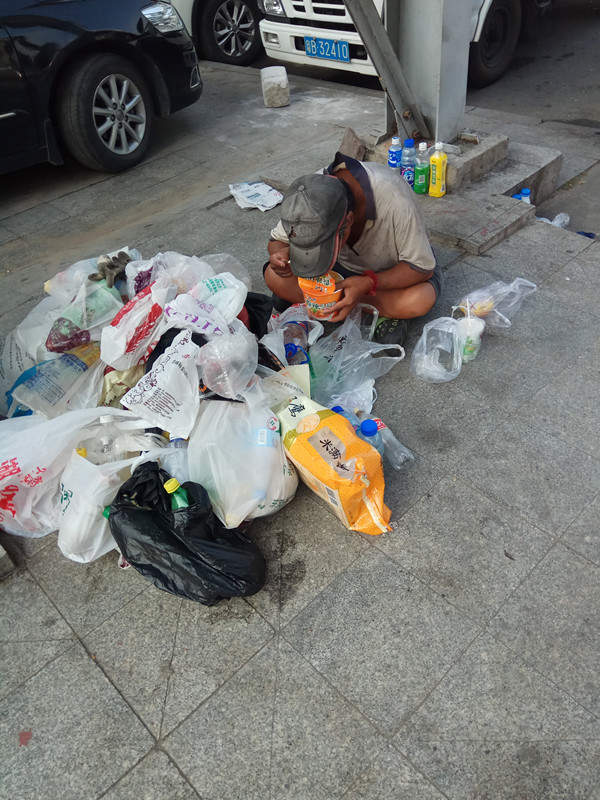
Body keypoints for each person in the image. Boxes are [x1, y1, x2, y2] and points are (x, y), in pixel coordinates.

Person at [264, 151, 442, 344]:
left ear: (348, 220)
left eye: (325, 245)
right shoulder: (308, 197)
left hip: (386, 275)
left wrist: (367, 283)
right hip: (337, 275)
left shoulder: (395, 199)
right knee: (272, 276)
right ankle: (360, 307)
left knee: (420, 299)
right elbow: (276, 241)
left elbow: (421, 269)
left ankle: (344, 303)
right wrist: (279, 257)